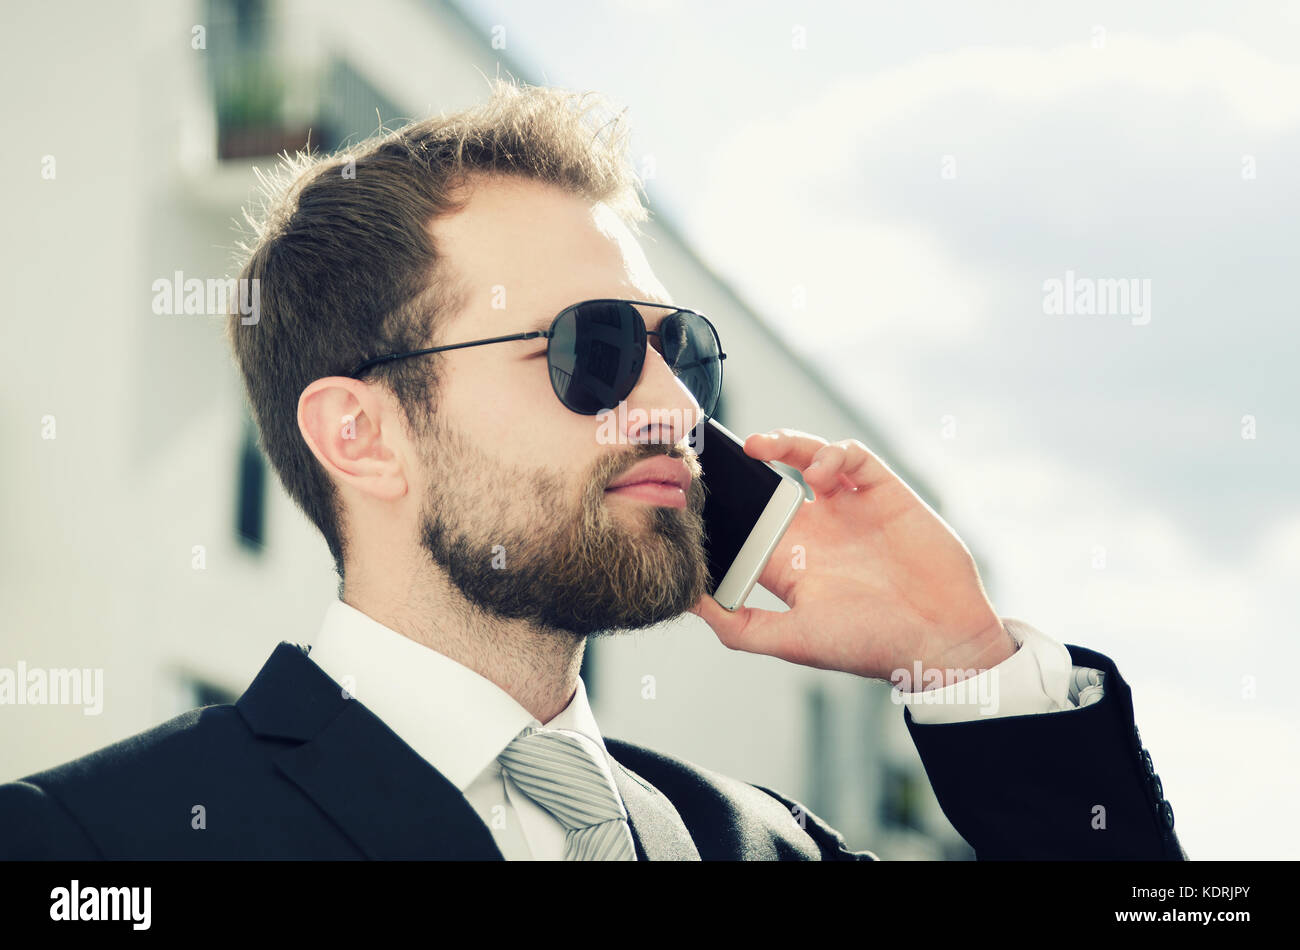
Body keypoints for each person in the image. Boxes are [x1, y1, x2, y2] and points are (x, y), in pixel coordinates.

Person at [0, 80, 1183, 860]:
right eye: (594, 350)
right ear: (359, 433)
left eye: (680, 351)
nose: (671, 406)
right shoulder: (92, 847)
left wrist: (966, 660)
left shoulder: (767, 843)